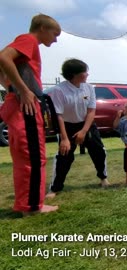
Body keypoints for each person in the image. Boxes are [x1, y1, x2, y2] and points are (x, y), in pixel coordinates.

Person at [0, 14, 61, 215]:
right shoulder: (28, 40)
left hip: (14, 104)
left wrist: (11, 88)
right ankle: (33, 206)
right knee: (33, 157)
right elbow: (3, 57)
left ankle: (25, 203)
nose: (56, 39)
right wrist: (24, 90)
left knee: (22, 158)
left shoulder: (24, 43)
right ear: (42, 28)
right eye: (55, 33)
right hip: (24, 107)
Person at [47, 59, 108, 198]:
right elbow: (58, 116)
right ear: (74, 75)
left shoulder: (89, 88)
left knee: (98, 151)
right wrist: (64, 139)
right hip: (67, 126)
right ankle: (55, 188)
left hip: (86, 124)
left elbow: (91, 111)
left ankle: (103, 178)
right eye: (84, 72)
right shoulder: (59, 90)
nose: (87, 74)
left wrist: (84, 131)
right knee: (64, 156)